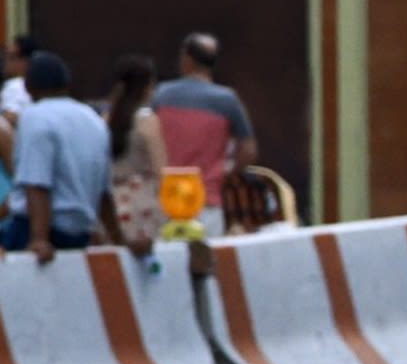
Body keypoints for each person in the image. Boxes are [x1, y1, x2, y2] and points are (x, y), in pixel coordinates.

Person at [2, 52, 149, 261]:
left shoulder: (35, 117)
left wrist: (39, 239)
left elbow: (36, 184)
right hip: (79, 234)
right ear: (67, 84)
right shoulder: (93, 119)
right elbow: (103, 192)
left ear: (27, 87)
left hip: (36, 228)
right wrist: (119, 240)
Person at [152, 32, 256, 239]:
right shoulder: (227, 101)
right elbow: (248, 151)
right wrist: (225, 173)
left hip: (166, 200)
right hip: (205, 200)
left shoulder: (161, 95)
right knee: (205, 267)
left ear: (186, 59)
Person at [104, 54, 170, 249]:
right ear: (147, 87)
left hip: (111, 206)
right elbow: (161, 171)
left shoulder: (104, 119)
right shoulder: (147, 121)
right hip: (144, 204)